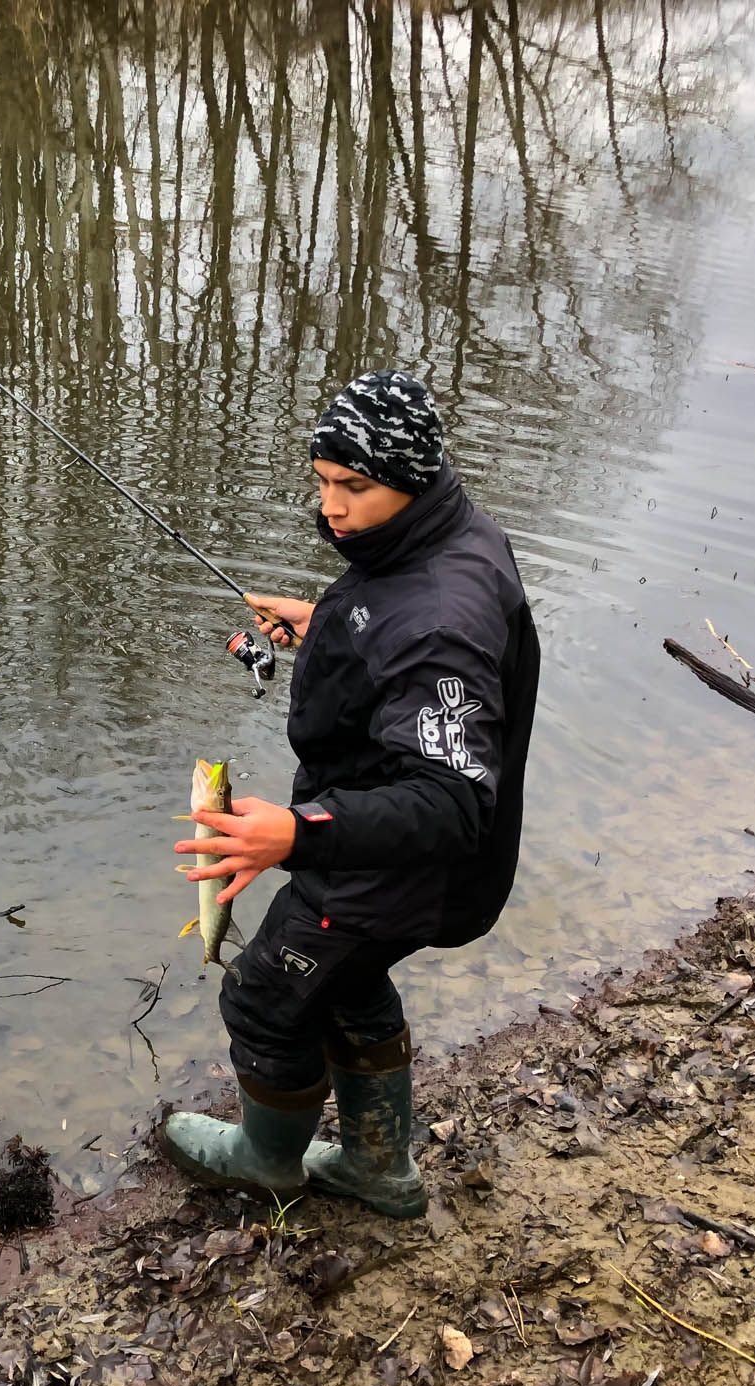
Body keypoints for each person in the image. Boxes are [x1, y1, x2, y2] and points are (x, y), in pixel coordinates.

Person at [163, 369, 539, 1216]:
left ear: (408, 480)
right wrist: (332, 623)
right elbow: (406, 643)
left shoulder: (438, 617)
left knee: (263, 997)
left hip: (397, 862)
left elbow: (446, 801)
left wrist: (295, 835)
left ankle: (268, 1161)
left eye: (354, 487)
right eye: (323, 481)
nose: (331, 507)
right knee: (346, 982)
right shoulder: (450, 539)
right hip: (400, 855)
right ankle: (381, 1166)